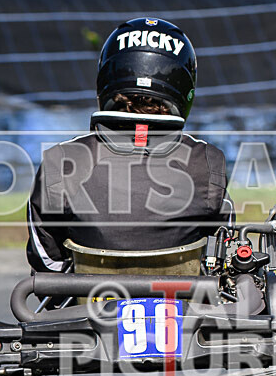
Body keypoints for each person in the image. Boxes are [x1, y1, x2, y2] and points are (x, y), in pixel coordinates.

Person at [27, 18, 233, 272]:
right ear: (184, 85)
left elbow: (45, 261)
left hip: (89, 307)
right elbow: (223, 254)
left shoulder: (61, 160)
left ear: (106, 80)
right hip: (187, 307)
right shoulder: (207, 160)